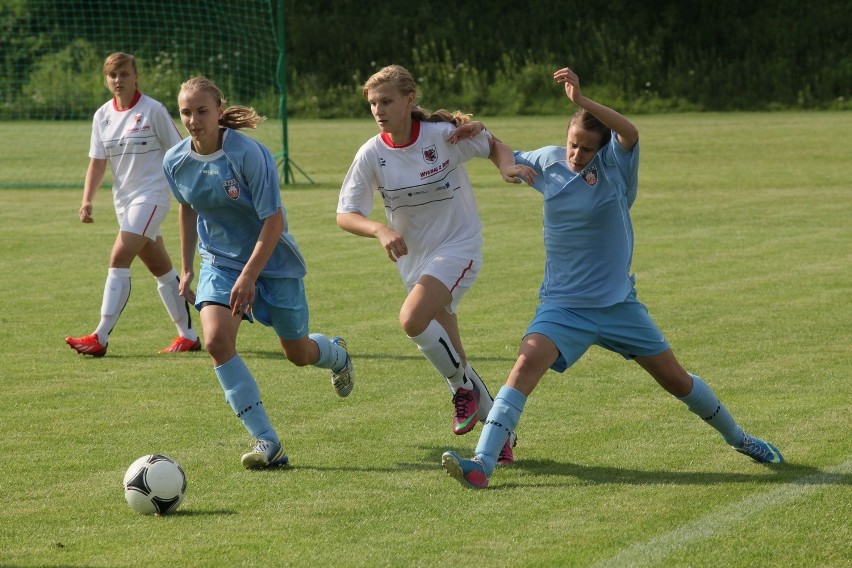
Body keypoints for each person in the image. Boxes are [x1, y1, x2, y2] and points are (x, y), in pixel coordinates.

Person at [441, 66, 784, 489]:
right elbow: (496, 145)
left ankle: (742, 440)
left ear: (602, 148)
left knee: (677, 381)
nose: (575, 154)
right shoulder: (548, 160)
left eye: (586, 148)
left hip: (618, 306)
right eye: (572, 143)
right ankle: (482, 465)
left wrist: (582, 102)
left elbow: (630, 130)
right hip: (563, 306)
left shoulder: (617, 167)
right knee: (524, 365)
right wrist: (504, 165)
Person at [336, 64, 535, 464]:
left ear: (410, 99)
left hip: (459, 248)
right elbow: (346, 213)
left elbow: (492, 143)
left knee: (412, 320)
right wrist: (379, 229)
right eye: (373, 103)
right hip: (416, 263)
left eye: (387, 101)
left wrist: (505, 166)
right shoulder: (371, 154)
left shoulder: (442, 137)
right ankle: (502, 438)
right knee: (453, 352)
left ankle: (462, 390)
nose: (378, 109)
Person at [162, 75, 354, 469]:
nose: (194, 120)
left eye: (202, 111)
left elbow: (274, 221)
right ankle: (267, 442)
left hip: (274, 262)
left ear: (219, 111)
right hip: (219, 260)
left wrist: (250, 275)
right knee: (216, 342)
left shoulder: (249, 154)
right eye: (186, 112)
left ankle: (336, 355)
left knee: (298, 354)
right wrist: (185, 269)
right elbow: (186, 207)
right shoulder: (175, 161)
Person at [66, 52, 201, 357]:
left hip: (152, 198)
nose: (119, 80)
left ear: (136, 76)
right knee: (161, 269)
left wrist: (193, 189)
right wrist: (87, 200)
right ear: (106, 79)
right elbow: (97, 163)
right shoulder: (102, 116)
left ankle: (99, 336)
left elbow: (181, 149)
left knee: (118, 257)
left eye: (125, 74)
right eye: (113, 75)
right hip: (124, 203)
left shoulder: (153, 110)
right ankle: (188, 336)